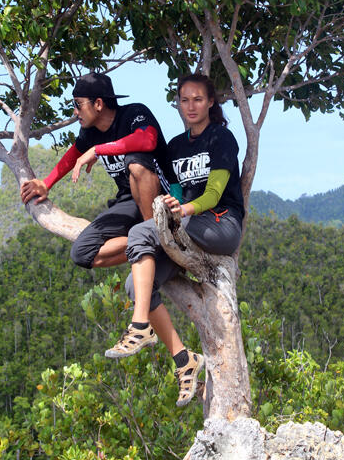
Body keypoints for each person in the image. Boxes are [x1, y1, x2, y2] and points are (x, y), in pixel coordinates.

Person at [105, 73, 245, 407]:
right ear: (178, 103)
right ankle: (185, 360)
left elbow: (213, 194)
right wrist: (174, 205)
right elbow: (176, 187)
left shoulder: (221, 139)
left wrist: (182, 211)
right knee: (134, 286)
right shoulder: (176, 147)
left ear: (211, 102)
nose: (191, 106)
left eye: (198, 99)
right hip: (188, 224)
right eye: (184, 100)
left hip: (219, 224)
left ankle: (139, 326)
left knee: (140, 233)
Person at [20, 72, 171, 269]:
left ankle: (153, 231)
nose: (75, 112)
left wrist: (99, 150)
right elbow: (73, 155)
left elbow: (148, 139)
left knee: (135, 162)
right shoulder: (90, 132)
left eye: (78, 104)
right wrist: (45, 184)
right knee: (82, 253)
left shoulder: (134, 113)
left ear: (98, 104)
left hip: (161, 195)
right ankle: (150, 241)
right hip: (129, 200)